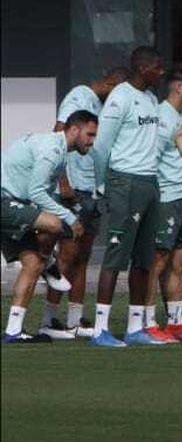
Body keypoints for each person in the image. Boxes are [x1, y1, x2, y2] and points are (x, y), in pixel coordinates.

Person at [87, 47, 169, 348]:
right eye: (158, 68)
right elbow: (101, 147)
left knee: (144, 259)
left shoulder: (150, 99)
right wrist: (103, 185)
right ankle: (100, 329)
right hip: (125, 182)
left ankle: (136, 328)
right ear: (143, 67)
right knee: (115, 257)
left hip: (150, 182)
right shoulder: (120, 97)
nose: (162, 73)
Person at [40, 66, 127, 340]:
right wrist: (63, 182)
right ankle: (49, 319)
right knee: (66, 255)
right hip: (74, 189)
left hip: (92, 190)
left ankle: (75, 319)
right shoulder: (79, 96)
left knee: (83, 256)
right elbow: (57, 133)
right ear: (111, 83)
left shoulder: (99, 105)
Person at [2, 112, 98, 343]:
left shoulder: (58, 150)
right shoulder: (53, 150)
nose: (92, 141)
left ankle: (13, 331)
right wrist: (70, 217)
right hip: (5, 201)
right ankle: (51, 263)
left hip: (13, 201)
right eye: (90, 134)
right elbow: (36, 192)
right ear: (73, 130)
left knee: (32, 263)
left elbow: (38, 190)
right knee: (55, 223)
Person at [147, 64, 182, 343]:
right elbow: (151, 160)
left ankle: (174, 321)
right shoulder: (161, 117)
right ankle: (145, 321)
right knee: (157, 261)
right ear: (179, 87)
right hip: (166, 199)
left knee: (180, 263)